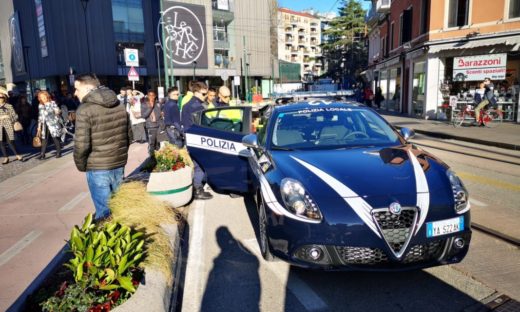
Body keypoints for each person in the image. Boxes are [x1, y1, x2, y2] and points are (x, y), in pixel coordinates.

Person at [73, 73, 131, 220]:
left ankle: (112, 240)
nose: (75, 93)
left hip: (98, 166)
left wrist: (81, 165)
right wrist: (121, 155)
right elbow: (128, 135)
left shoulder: (84, 109)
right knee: (120, 205)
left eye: (77, 89)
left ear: (87, 88)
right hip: (118, 163)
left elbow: (82, 144)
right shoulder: (119, 104)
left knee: (104, 212)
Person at [181, 81, 213, 200]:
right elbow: (203, 125)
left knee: (196, 163)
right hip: (197, 139)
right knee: (200, 164)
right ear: (196, 92)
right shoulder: (197, 107)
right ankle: (198, 189)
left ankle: (198, 187)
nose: (205, 96)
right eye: (204, 94)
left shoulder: (187, 104)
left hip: (190, 138)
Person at [37, 90, 63, 159]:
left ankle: (59, 152)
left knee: (55, 138)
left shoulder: (52, 103)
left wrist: (57, 111)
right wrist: (39, 126)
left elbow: (57, 110)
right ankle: (42, 154)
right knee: (44, 139)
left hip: (53, 123)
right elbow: (40, 116)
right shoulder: (40, 105)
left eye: (44, 96)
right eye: (41, 97)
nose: (43, 98)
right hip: (45, 123)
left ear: (47, 96)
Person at [0, 90, 24, 164]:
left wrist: (7, 118)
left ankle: (17, 155)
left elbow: (15, 116)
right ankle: (6, 157)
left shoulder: (9, 106)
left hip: (8, 125)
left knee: (10, 141)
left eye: (1, 97)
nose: (0, 98)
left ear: (4, 98)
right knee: (1, 142)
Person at [141, 90, 162, 157]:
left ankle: (158, 157)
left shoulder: (158, 103)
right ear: (147, 96)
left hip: (159, 125)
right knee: (152, 143)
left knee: (158, 142)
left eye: (153, 95)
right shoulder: (144, 104)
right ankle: (151, 157)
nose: (151, 97)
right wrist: (150, 107)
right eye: (150, 95)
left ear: (155, 96)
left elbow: (160, 114)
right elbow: (144, 115)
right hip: (151, 126)